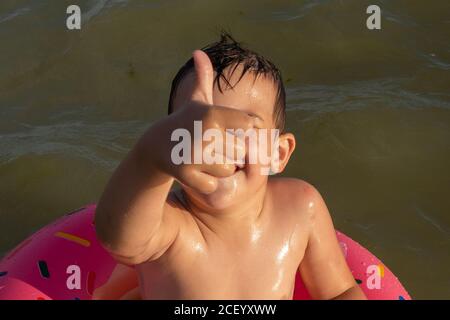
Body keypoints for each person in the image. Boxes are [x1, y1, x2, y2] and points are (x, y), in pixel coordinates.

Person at [94, 33, 366, 300]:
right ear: (173, 147)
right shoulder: (170, 225)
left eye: (243, 126)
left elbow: (339, 291)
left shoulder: (301, 208)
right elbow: (119, 240)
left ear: (278, 152)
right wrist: (149, 156)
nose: (219, 142)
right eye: (198, 130)